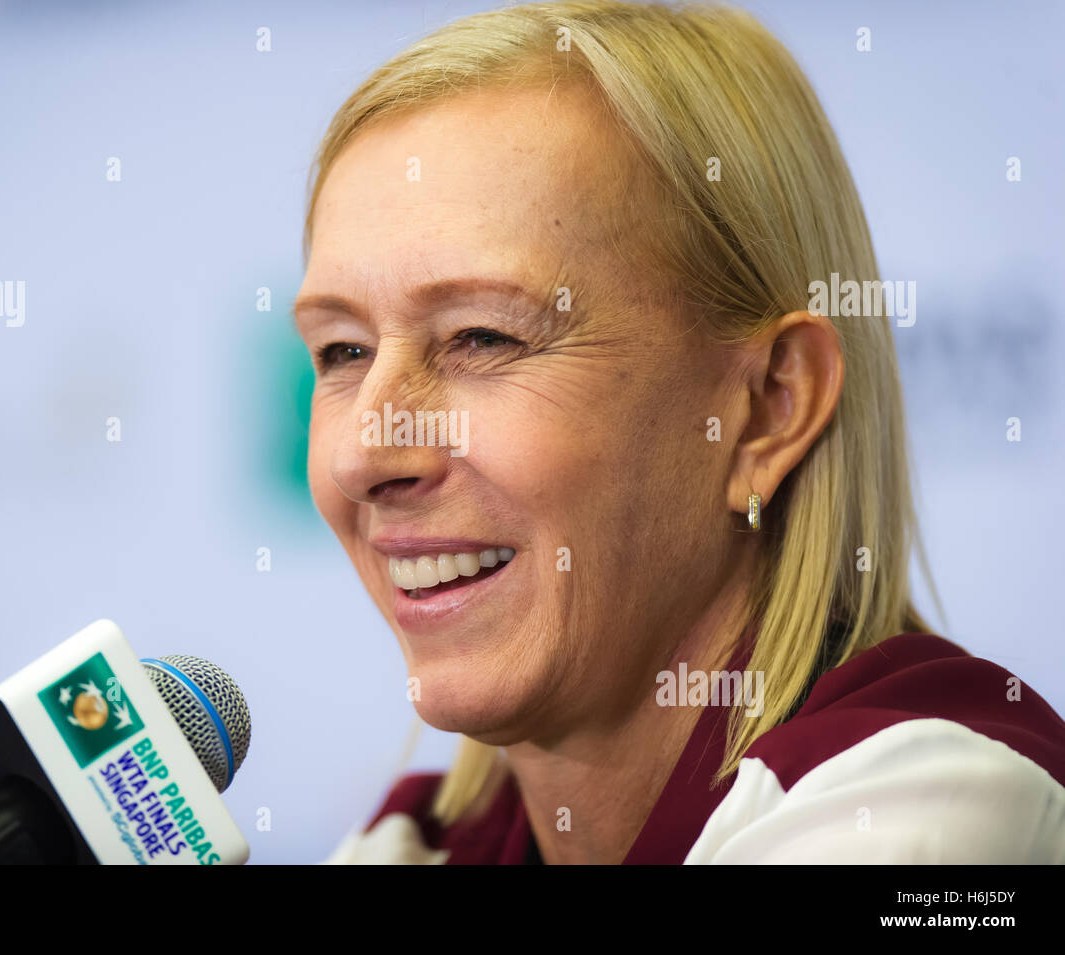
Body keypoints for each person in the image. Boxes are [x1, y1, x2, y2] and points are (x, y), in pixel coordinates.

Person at [291, 0, 1065, 863]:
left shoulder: (942, 807)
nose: (365, 452)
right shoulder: (413, 846)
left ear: (770, 405)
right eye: (343, 349)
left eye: (483, 336)